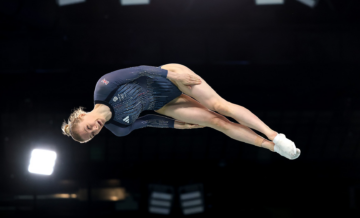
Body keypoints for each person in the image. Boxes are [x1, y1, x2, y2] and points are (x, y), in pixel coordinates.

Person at [61, 64, 300, 160]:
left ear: (83, 115)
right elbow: (146, 122)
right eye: (91, 135)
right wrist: (175, 125)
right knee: (216, 122)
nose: (94, 130)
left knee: (219, 106)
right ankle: (273, 147)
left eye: (88, 127)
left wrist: (173, 76)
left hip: (166, 77)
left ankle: (275, 135)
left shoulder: (103, 86)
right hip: (165, 104)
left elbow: (139, 70)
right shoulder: (118, 129)